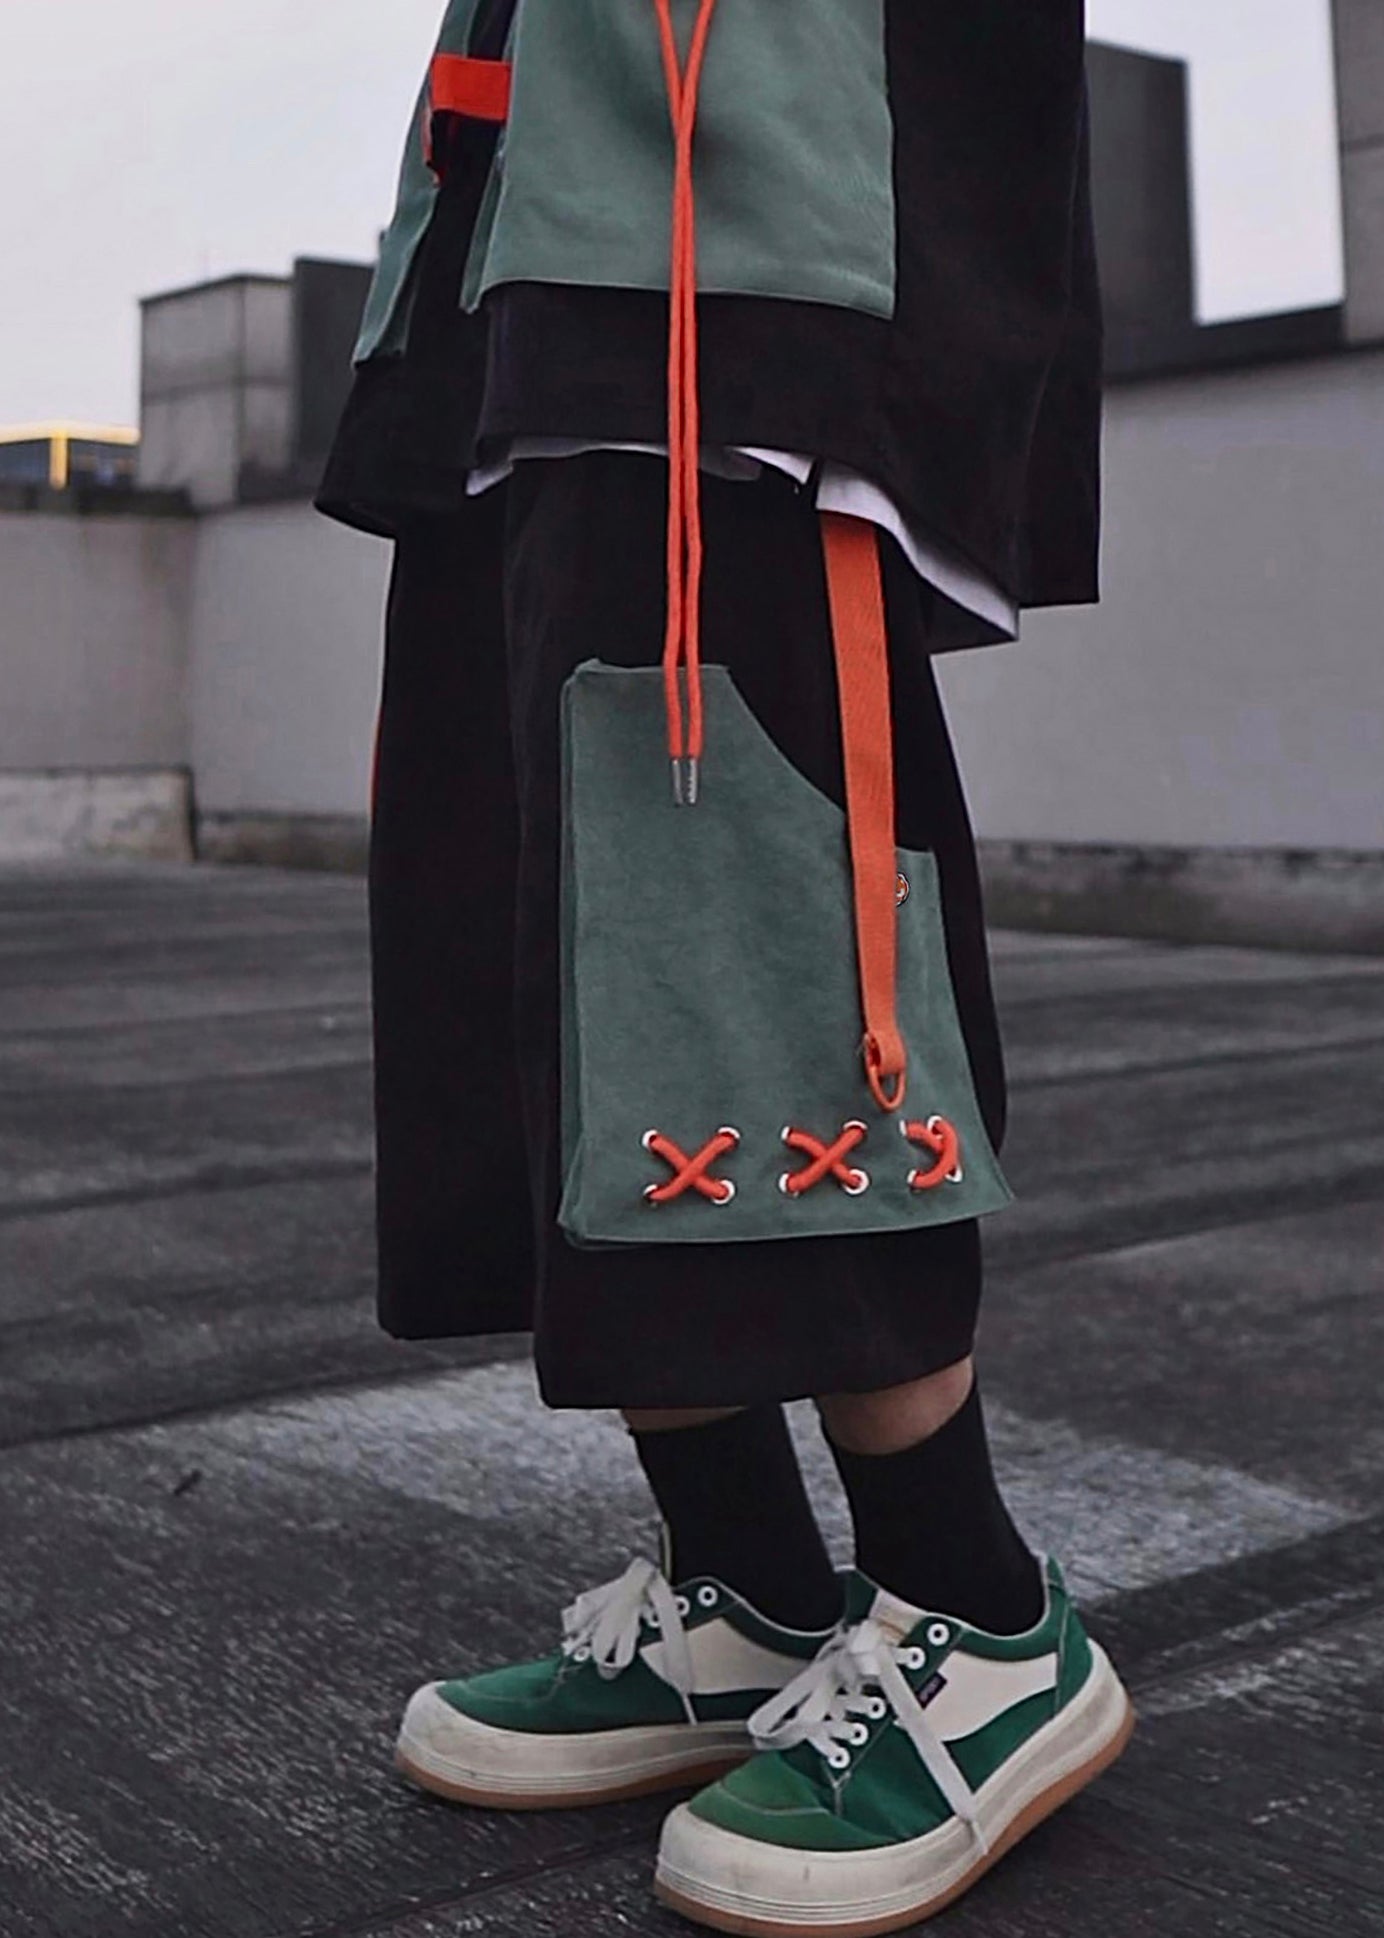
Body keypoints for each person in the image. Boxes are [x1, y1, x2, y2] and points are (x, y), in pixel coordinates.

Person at [318, 2, 1129, 1929]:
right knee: (548, 939)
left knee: (739, 883)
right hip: (518, 227)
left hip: (749, 190)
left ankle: (978, 1613)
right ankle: (744, 1577)